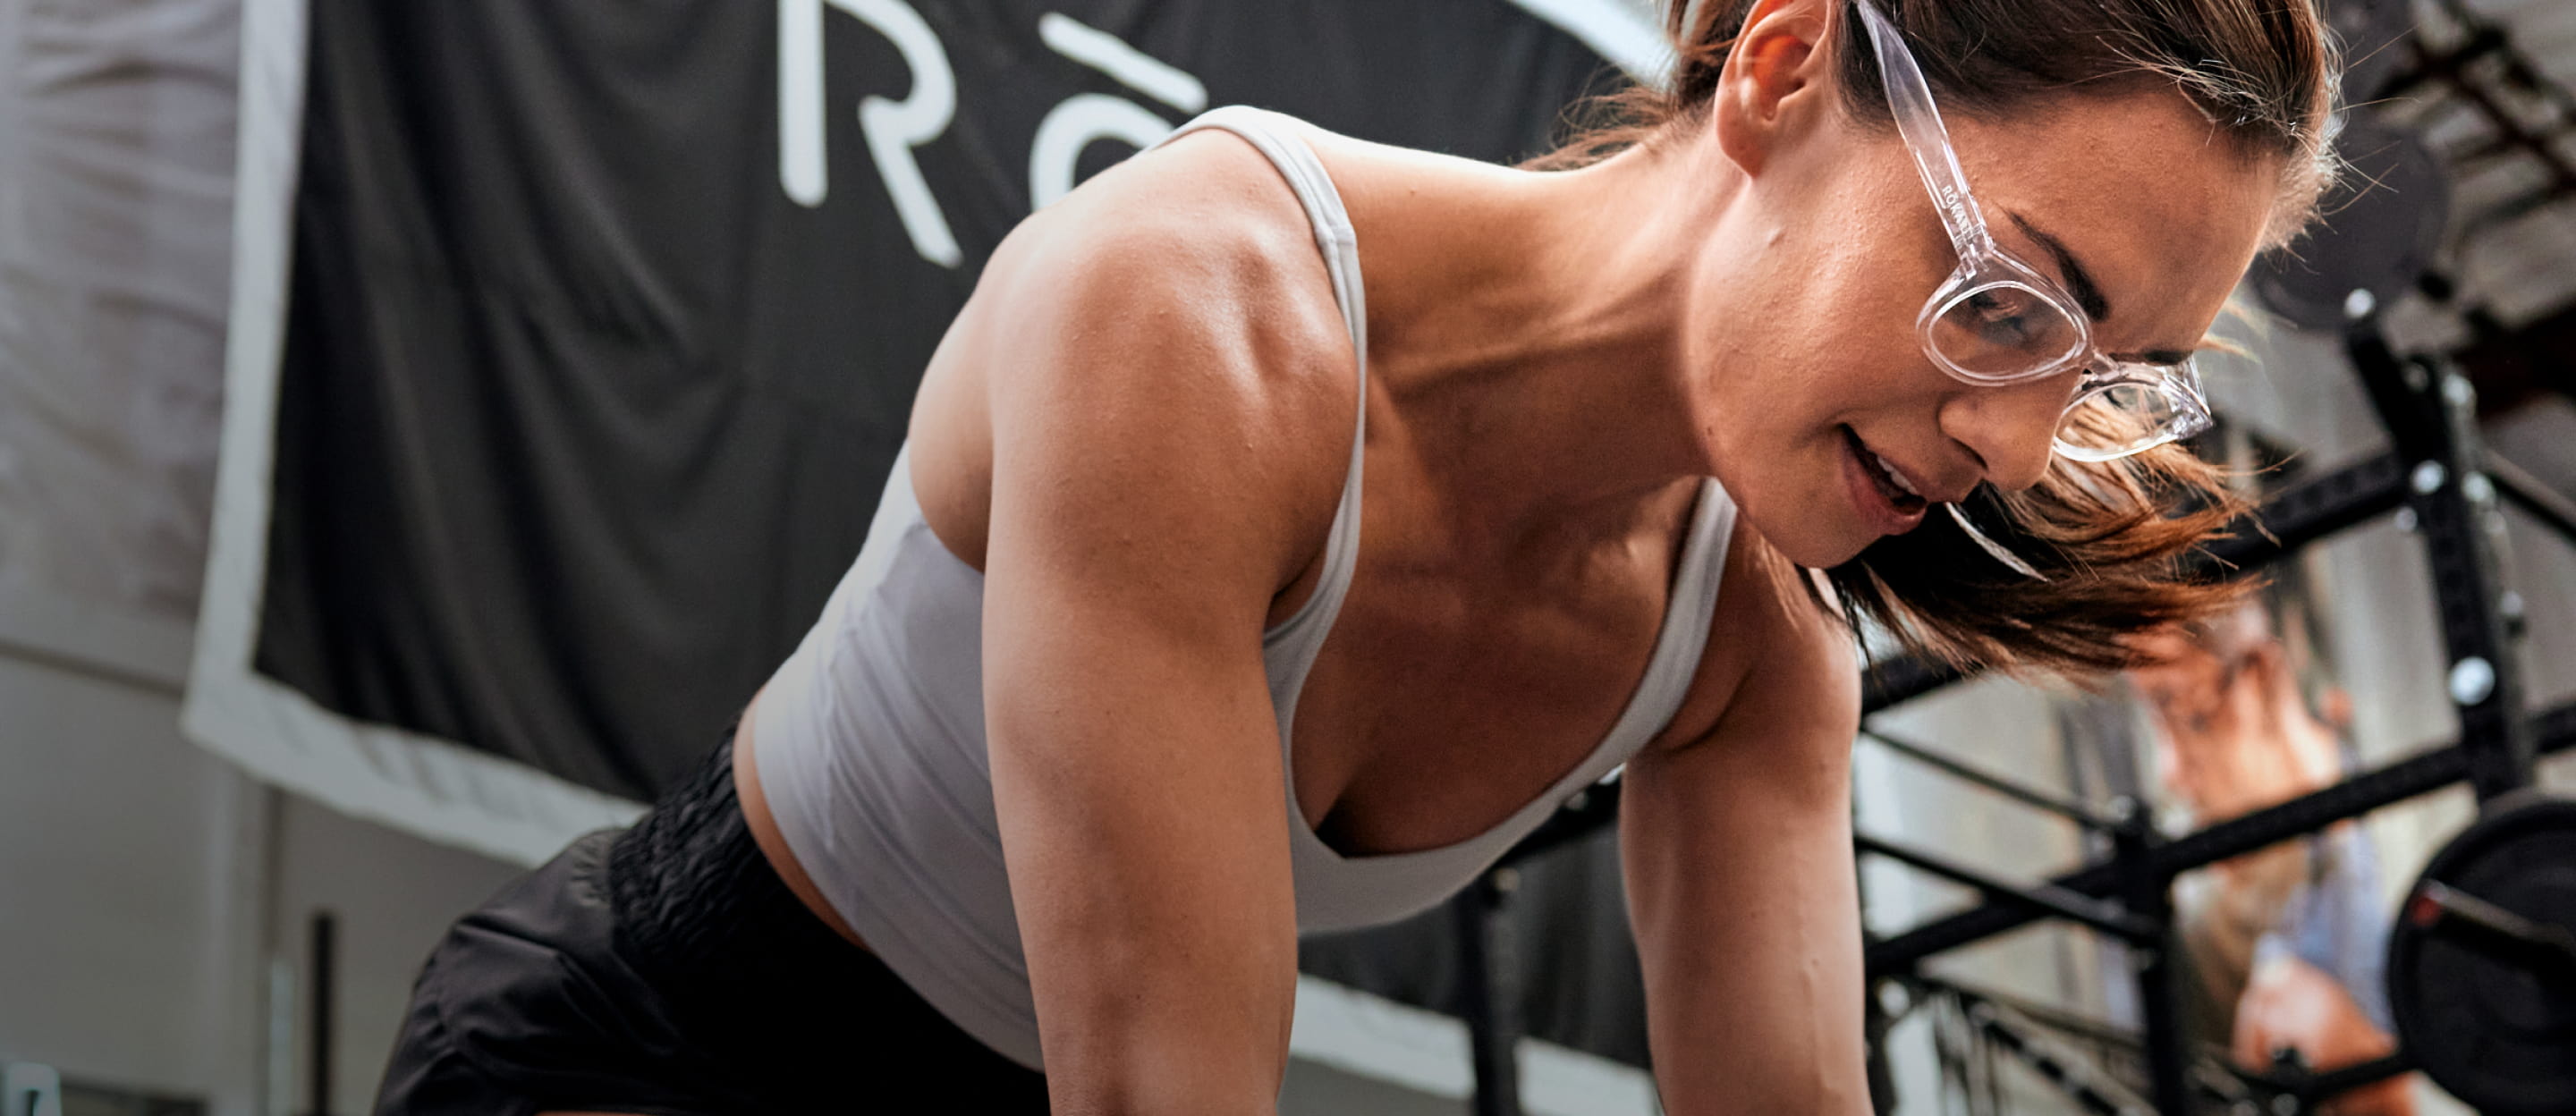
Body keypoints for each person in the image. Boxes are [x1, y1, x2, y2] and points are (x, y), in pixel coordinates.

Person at [374, 0, 2337, 1112]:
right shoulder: (1196, 311)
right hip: (644, 1051)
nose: (2015, 443)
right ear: (1782, 65)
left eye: (2104, 377)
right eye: (2007, 299)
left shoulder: (1756, 657)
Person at [2131, 606, 2412, 1116]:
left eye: (2187, 713)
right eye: (2154, 718)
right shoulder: (2186, 872)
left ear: (2257, 677)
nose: (2170, 769)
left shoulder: (2368, 830)